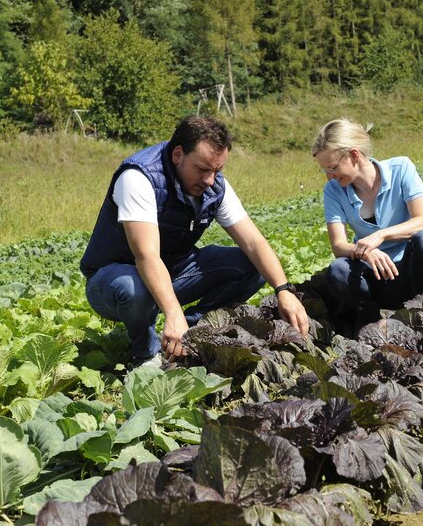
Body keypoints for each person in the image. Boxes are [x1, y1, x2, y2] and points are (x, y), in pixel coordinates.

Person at [81, 116, 309, 368]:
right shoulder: (139, 177)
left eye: (217, 170)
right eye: (202, 169)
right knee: (134, 287)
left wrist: (284, 290)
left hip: (174, 270)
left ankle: (188, 333)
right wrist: (172, 310)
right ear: (178, 154)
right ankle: (146, 353)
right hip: (114, 280)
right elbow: (146, 257)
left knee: (252, 265)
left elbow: (254, 242)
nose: (210, 180)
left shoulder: (213, 185)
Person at [311, 118, 423, 318]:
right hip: (373, 275)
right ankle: (373, 319)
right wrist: (364, 252)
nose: (330, 176)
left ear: (354, 155)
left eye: (333, 168)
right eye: (325, 170)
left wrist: (380, 236)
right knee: (338, 269)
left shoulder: (401, 168)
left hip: (411, 270)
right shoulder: (333, 190)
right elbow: (338, 245)